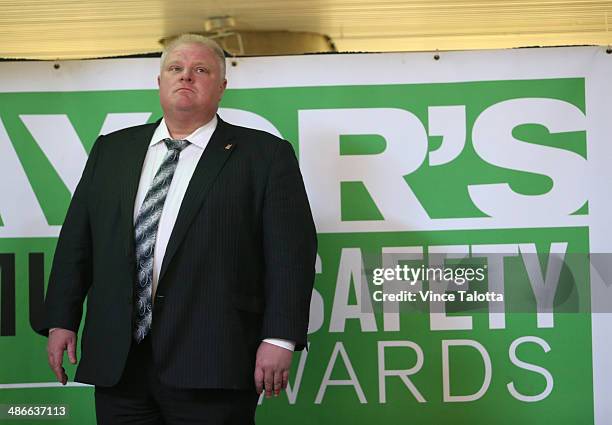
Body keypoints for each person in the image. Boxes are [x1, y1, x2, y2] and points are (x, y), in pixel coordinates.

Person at [40, 33, 317, 424]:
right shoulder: (111, 149)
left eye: (200, 70)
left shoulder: (266, 156)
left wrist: (279, 338)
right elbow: (76, 243)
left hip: (214, 360)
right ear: (159, 82)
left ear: (221, 87)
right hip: (120, 363)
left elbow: (291, 257)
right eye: (176, 68)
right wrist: (62, 319)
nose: (186, 77)